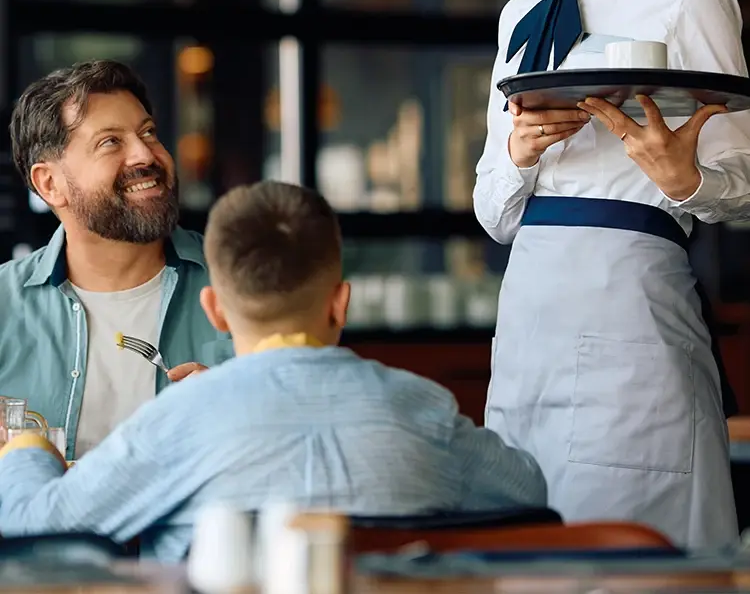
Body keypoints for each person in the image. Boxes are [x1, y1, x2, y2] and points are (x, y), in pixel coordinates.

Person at [467, 0, 750, 550]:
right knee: (526, 549)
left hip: (633, 320)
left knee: (632, 557)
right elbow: (493, 213)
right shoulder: (518, 20)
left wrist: (688, 178)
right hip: (526, 326)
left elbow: (748, 174)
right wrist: (519, 152)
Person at [0, 180, 546, 562]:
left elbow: (38, 526)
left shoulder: (179, 420)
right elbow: (528, 491)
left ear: (215, 309)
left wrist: (27, 449)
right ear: (340, 304)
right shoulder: (422, 408)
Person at [0, 60, 232, 461]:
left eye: (148, 132)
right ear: (49, 184)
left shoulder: (243, 284)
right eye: (110, 142)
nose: (146, 154)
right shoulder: (4, 304)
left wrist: (242, 411)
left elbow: (307, 442)